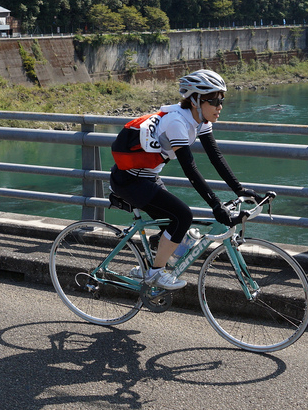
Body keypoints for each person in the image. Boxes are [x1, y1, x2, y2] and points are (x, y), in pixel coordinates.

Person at [108, 69, 263, 290]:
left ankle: (146, 267)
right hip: (129, 180)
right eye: (214, 101)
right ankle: (154, 274)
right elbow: (190, 168)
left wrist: (240, 189)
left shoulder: (201, 120)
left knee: (176, 228)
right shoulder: (177, 122)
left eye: (221, 100)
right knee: (182, 215)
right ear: (194, 101)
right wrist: (215, 205)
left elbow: (215, 157)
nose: (219, 106)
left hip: (147, 177)